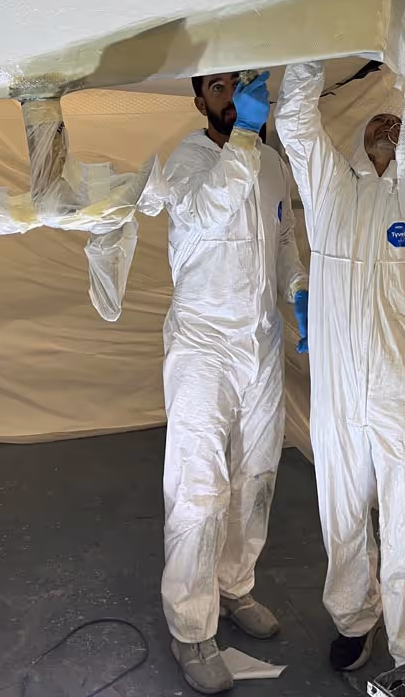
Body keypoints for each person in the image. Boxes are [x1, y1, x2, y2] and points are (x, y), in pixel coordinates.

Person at [275, 59, 405, 670]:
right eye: (377, 121)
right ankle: (354, 616)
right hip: (339, 389)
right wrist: (313, 49)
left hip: (402, 387)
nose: (388, 126)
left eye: (399, 122)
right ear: (359, 140)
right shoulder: (331, 190)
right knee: (341, 513)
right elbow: (294, 121)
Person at [162, 70, 309, 695]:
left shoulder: (272, 164)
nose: (231, 98)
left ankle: (234, 585)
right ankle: (191, 626)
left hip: (260, 340)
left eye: (240, 85)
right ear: (199, 100)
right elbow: (207, 210)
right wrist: (246, 134)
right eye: (218, 89)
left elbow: (283, 237)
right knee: (199, 486)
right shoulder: (186, 162)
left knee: (257, 474)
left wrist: (297, 290)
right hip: (203, 343)